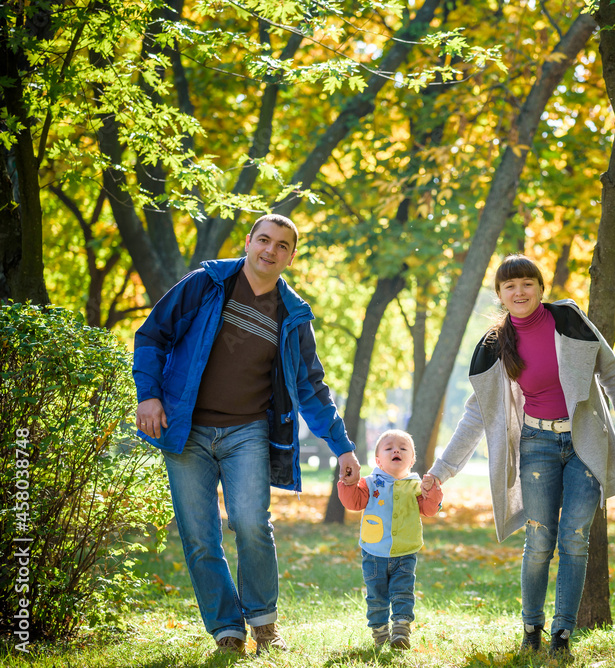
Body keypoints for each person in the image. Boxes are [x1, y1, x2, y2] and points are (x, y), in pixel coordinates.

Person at [132, 214, 361, 656]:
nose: (270, 250)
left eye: (281, 245)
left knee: (252, 524)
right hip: (186, 430)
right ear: (249, 242)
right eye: (264, 240)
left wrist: (342, 446)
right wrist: (150, 395)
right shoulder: (207, 284)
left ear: (291, 257)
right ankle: (227, 630)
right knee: (200, 536)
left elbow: (312, 386)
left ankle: (263, 623)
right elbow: (152, 335)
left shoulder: (293, 315)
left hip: (248, 433)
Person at [421, 254, 615, 658]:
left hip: (584, 444)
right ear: (501, 295)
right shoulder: (494, 345)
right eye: (510, 286)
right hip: (536, 445)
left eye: (527, 283)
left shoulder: (569, 320)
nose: (520, 291)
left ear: (541, 288)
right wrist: (441, 470)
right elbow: (477, 413)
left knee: (575, 539)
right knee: (540, 540)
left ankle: (562, 636)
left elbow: (613, 373)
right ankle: (531, 629)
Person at [338, 430, 443, 650]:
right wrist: (348, 485)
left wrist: (432, 493)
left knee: (403, 591)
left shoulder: (417, 486)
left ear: (412, 460)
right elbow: (354, 503)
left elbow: (429, 510)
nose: (396, 450)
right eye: (389, 448)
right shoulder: (369, 483)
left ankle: (401, 629)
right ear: (378, 460)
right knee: (376, 596)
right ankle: (379, 632)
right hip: (374, 552)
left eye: (403, 448)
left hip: (405, 552)